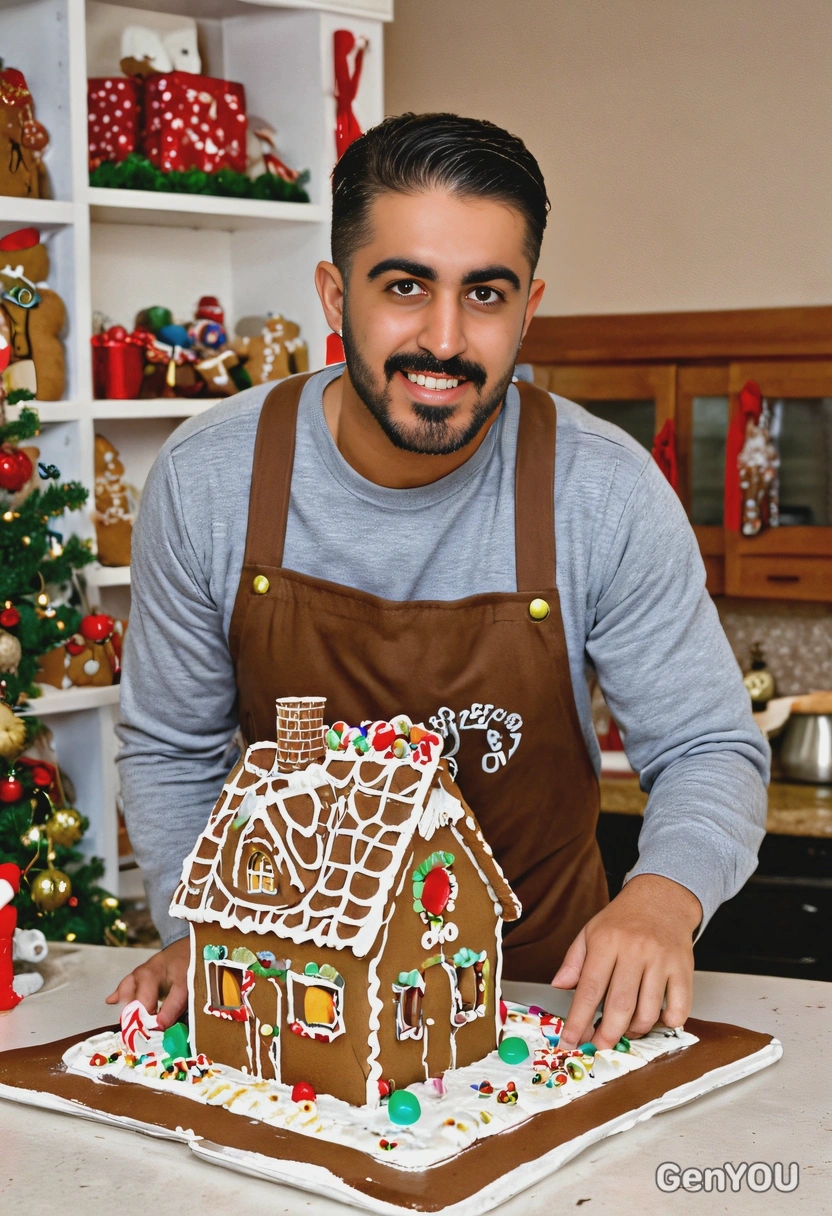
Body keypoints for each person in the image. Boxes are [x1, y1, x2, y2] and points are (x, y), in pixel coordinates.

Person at [108, 113, 768, 1053]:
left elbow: (710, 748)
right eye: (406, 286)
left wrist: (662, 900)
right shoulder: (211, 477)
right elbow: (173, 751)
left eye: (486, 293)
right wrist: (206, 934)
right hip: (297, 997)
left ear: (528, 307)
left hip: (547, 1007)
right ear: (335, 295)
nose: (445, 340)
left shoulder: (602, 488)